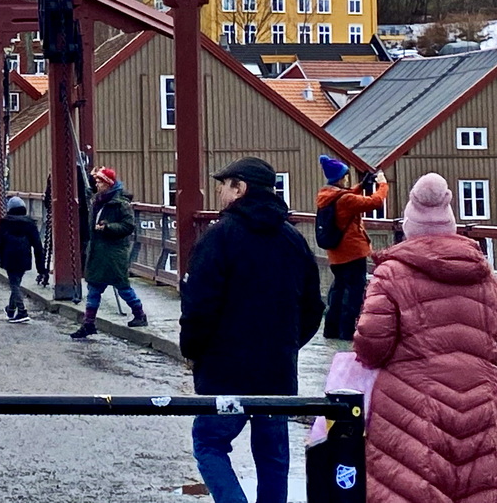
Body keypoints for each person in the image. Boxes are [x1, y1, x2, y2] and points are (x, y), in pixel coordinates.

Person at [180, 157, 324, 503]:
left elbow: (199, 305)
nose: (218, 190)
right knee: (272, 454)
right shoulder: (293, 240)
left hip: (225, 368)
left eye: (224, 184)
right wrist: (287, 344)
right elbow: (313, 307)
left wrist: (193, 350)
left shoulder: (219, 238)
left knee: (210, 443)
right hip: (276, 368)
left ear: (240, 188)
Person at [354, 172, 497, 503]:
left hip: (410, 405)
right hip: (481, 400)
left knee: (412, 486)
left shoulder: (391, 273)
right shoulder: (484, 275)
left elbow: (372, 345)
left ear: (409, 226)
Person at [315, 156, 389, 340]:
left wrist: (362, 185)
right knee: (353, 293)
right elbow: (374, 202)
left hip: (336, 254)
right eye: (345, 176)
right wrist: (383, 185)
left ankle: (331, 330)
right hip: (353, 252)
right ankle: (347, 332)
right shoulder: (345, 199)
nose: (347, 180)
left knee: (338, 291)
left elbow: (346, 197)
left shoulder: (327, 195)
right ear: (340, 179)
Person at [70, 167, 147, 336]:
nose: (97, 185)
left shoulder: (121, 204)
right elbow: (89, 191)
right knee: (94, 288)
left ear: (108, 184)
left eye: (100, 182)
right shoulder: (99, 200)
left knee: (122, 287)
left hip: (113, 252)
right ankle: (89, 323)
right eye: (96, 182)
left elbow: (128, 226)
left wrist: (108, 227)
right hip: (99, 251)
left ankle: (139, 314)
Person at [0, 196, 47, 323]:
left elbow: (0, 242)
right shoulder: (29, 223)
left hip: (9, 256)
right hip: (24, 257)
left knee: (14, 284)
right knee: (16, 283)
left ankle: (22, 311)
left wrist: (0, 259)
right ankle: (11, 309)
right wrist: (41, 267)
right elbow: (37, 245)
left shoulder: (4, 223)